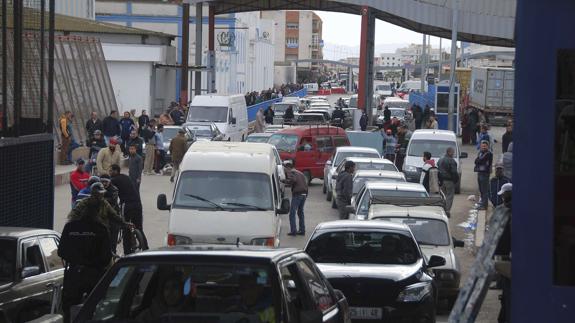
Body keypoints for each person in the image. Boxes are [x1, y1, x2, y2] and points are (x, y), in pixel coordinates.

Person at [58, 183, 117, 323]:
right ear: (98, 212)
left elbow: (62, 251)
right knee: (93, 310)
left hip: (73, 276)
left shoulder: (70, 227)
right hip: (94, 277)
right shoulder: (101, 229)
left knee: (69, 310)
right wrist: (93, 265)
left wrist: (76, 261)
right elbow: (106, 256)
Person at [110, 164, 148, 254]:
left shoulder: (114, 180)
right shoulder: (126, 177)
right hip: (138, 204)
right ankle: (146, 249)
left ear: (115, 171)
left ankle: (127, 253)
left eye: (111, 171)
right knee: (139, 227)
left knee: (125, 227)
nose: (109, 172)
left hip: (127, 205)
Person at [494, 183, 512, 323]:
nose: (502, 198)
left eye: (504, 195)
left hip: (507, 256)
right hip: (504, 254)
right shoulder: (504, 210)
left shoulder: (508, 212)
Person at [283, 161, 308, 236]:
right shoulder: (300, 173)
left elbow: (293, 180)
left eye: (285, 169)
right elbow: (305, 183)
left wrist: (285, 181)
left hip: (297, 194)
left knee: (292, 213)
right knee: (300, 212)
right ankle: (302, 230)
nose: (285, 171)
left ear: (288, 168)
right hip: (304, 194)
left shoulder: (292, 172)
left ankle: (293, 231)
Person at [438, 147, 459, 216]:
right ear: (449, 152)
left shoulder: (440, 160)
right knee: (449, 196)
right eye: (453, 152)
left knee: (442, 196)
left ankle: (441, 209)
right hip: (449, 181)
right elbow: (454, 172)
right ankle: (447, 210)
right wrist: (455, 180)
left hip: (441, 180)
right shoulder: (452, 161)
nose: (453, 154)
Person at [474, 141, 493, 210]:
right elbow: (476, 161)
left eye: (485, 146)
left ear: (488, 146)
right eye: (482, 146)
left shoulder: (489, 154)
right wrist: (478, 160)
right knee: (481, 189)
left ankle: (484, 205)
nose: (483, 147)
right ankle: (482, 202)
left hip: (485, 173)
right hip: (480, 172)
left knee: (485, 190)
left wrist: (478, 160)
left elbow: (480, 161)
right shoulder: (480, 153)